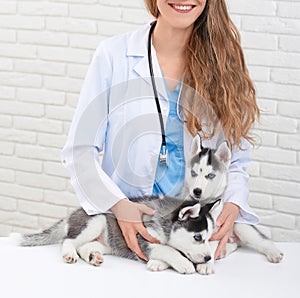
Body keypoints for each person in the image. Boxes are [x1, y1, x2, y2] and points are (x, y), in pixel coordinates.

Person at [61, 0, 260, 262]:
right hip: (128, 234)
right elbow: (80, 150)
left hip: (198, 238)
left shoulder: (224, 65)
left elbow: (234, 162)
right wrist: (119, 206)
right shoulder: (113, 55)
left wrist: (233, 205)